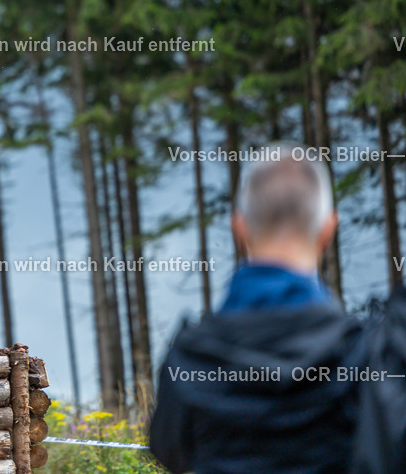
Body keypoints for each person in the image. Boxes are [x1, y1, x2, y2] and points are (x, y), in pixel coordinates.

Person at [149, 144, 368, 473]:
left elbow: (167, 450)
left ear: (239, 228)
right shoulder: (364, 356)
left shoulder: (189, 357)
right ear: (328, 230)